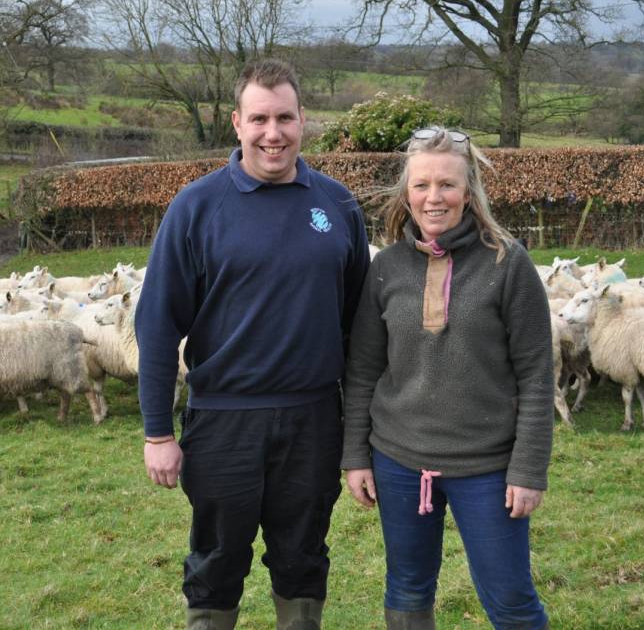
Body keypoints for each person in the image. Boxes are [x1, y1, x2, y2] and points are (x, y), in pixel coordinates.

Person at [135, 59, 370, 630]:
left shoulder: (337, 206)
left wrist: (360, 435)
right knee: (217, 560)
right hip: (223, 421)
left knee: (303, 558)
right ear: (237, 123)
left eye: (285, 118)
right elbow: (158, 324)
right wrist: (158, 433)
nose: (274, 133)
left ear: (303, 120)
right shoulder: (196, 207)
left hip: (313, 419)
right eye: (260, 118)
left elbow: (358, 326)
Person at [341, 127, 553, 630]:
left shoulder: (508, 264)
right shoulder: (386, 268)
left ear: (470, 191)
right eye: (421, 185)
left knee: (510, 600)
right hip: (399, 462)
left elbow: (537, 375)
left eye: (447, 185)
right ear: (406, 193)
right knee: (408, 587)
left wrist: (528, 468)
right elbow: (364, 369)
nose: (433, 197)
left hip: (488, 470)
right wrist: (355, 456)